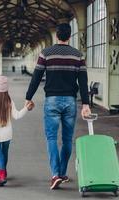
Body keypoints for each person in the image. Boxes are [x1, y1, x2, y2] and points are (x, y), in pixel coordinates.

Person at [25, 23, 91, 190]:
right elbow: (83, 82)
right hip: (70, 101)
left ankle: (55, 174)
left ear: (56, 36)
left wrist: (28, 97)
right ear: (69, 36)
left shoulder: (46, 53)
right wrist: (86, 104)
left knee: (52, 138)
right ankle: (61, 173)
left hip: (52, 100)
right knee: (68, 140)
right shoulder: (78, 56)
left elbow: (36, 77)